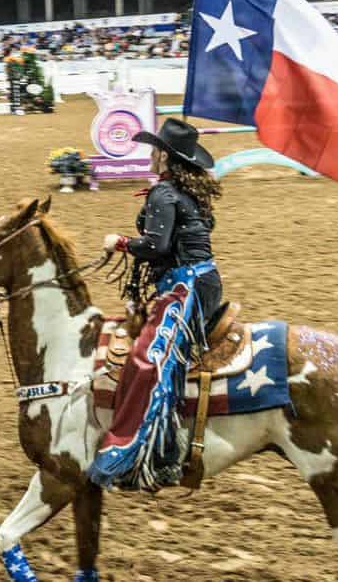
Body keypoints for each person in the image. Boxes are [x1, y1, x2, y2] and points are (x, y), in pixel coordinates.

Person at [88, 118, 223, 492]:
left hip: (187, 286)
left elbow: (156, 246)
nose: (149, 156)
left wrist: (120, 243)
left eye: (153, 150)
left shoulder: (164, 194)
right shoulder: (187, 193)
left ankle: (137, 452)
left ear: (163, 156)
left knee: (149, 359)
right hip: (198, 280)